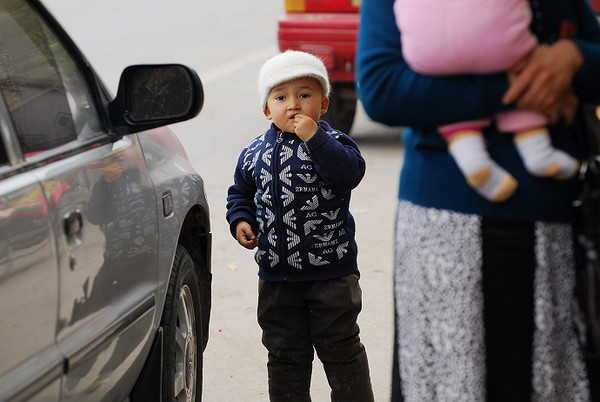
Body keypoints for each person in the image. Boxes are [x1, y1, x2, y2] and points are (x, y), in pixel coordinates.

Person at [356, 0, 600, 400]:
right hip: (446, 232)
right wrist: (522, 88)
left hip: (559, 226)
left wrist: (574, 58)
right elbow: (383, 87)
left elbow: (590, 45)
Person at [226, 50, 374, 402]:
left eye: (304, 95)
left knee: (340, 349)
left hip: (332, 275)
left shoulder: (334, 143)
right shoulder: (253, 153)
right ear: (267, 109)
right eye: (281, 97)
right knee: (284, 354)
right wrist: (240, 220)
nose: (293, 105)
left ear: (323, 105)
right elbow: (240, 193)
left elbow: (348, 175)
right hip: (277, 276)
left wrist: (315, 139)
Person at [392, 0, 579, 202]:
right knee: (520, 64)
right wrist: (513, 85)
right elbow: (380, 89)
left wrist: (575, 55)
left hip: (436, 195)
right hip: (543, 205)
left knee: (448, 77)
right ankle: (537, 150)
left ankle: (472, 158)